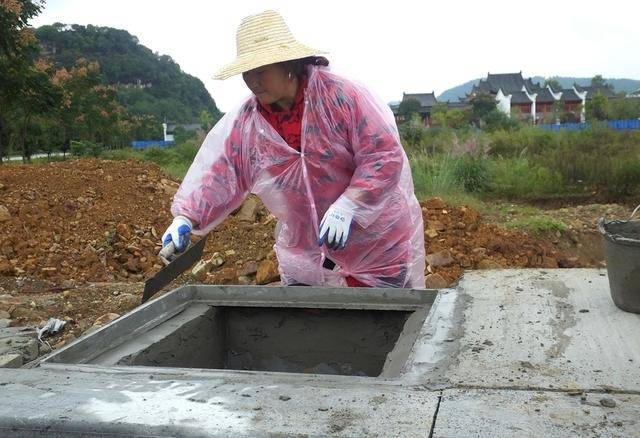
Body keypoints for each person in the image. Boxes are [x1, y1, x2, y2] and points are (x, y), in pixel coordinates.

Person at [161, 10, 425, 288]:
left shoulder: (341, 97)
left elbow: (383, 155)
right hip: (306, 252)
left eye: (260, 71)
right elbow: (223, 173)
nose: (253, 81)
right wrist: (186, 217)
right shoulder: (249, 122)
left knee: (379, 325)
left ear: (287, 64)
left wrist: (350, 204)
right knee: (307, 327)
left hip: (374, 246)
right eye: (247, 72)